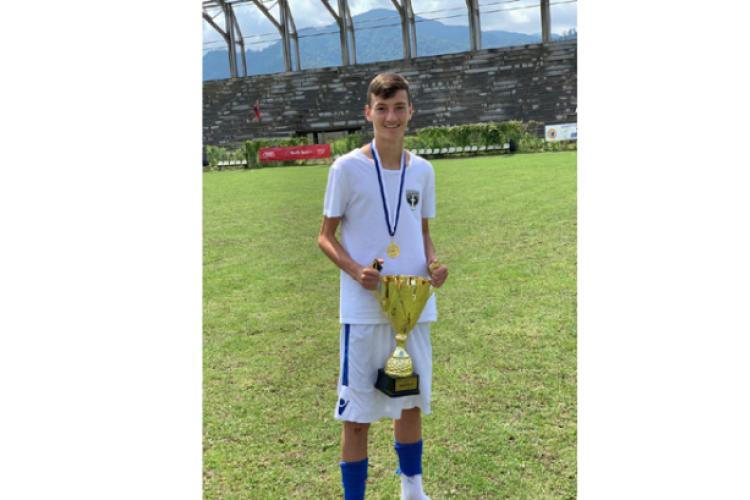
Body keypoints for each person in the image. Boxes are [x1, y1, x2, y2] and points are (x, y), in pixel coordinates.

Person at [318, 72, 448, 500]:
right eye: (382, 108)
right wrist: (356, 270)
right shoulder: (346, 168)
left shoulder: (423, 170)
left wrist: (433, 264)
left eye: (398, 108)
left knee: (409, 402)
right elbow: (325, 236)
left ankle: (413, 491)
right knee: (357, 415)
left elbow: (422, 232)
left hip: (413, 308)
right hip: (364, 310)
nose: (391, 117)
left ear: (410, 111)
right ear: (368, 112)